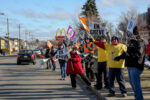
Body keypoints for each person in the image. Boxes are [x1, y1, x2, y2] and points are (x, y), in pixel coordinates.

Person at [125, 26, 145, 100]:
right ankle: (137, 97)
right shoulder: (131, 42)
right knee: (132, 83)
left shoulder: (140, 42)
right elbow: (128, 53)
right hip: (130, 65)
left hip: (136, 66)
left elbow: (138, 54)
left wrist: (128, 54)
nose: (129, 36)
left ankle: (139, 98)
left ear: (135, 34)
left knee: (136, 84)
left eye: (130, 34)